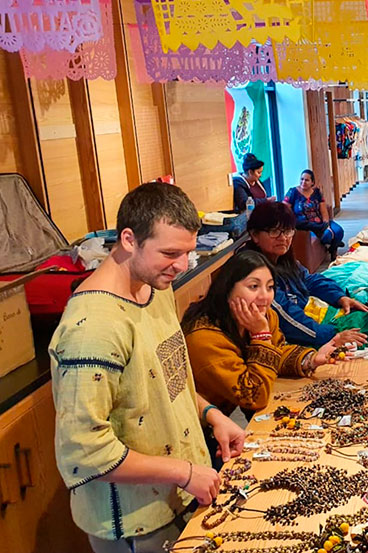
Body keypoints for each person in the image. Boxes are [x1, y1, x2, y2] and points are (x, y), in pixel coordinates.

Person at [49, 182, 247, 553]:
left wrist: (211, 414)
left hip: (179, 493)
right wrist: (183, 472)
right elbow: (83, 450)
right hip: (135, 520)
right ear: (128, 240)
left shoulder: (155, 287)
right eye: (170, 253)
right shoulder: (93, 328)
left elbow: (166, 379)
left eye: (188, 252)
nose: (182, 265)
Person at [182, 250, 342, 421]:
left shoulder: (263, 316)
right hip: (198, 425)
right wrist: (261, 336)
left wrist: (311, 359)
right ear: (227, 289)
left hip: (222, 419)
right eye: (253, 286)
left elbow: (276, 352)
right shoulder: (205, 338)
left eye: (270, 287)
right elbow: (253, 396)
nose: (265, 297)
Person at [245, 201, 368, 349]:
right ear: (255, 235)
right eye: (274, 231)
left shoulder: (283, 259)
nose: (283, 238)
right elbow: (285, 318)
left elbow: (309, 280)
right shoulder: (253, 271)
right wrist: (333, 335)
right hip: (277, 340)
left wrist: (339, 297)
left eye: (288, 231)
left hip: (302, 324)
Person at [283, 169, 344, 258]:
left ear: (312, 182)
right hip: (306, 225)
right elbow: (284, 209)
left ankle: (332, 247)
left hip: (320, 222)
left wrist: (326, 225)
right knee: (327, 235)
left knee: (339, 231)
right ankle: (334, 245)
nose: (303, 182)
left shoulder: (317, 192)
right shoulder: (293, 192)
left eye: (307, 180)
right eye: (302, 179)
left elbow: (324, 211)